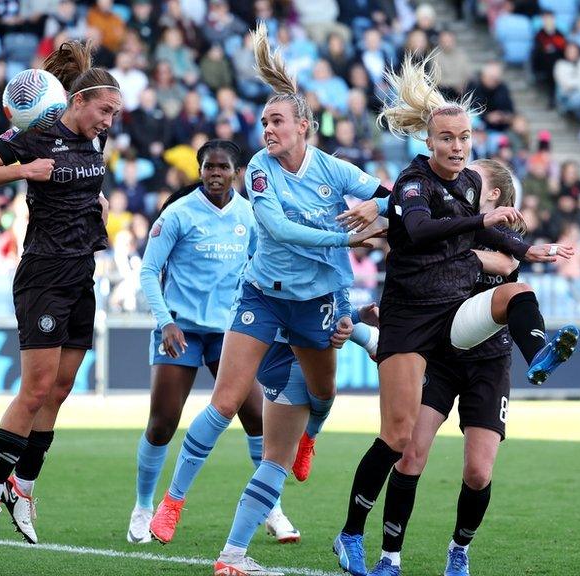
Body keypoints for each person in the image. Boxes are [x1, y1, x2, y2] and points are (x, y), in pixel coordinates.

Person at [145, 24, 385, 574]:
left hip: (319, 302)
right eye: (264, 122)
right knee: (226, 400)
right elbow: (277, 230)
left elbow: (391, 197)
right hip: (264, 296)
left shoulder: (332, 169)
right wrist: (349, 236)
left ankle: (310, 438)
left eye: (277, 121)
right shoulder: (257, 169)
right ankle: (172, 502)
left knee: (323, 396)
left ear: (305, 126)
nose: (267, 129)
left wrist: (379, 211)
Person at [334, 54, 578, 576]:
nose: (457, 146)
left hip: (456, 320)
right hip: (410, 317)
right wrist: (476, 224)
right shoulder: (412, 181)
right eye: (447, 138)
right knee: (399, 439)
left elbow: (482, 230)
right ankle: (353, 534)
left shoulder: (469, 183)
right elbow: (421, 232)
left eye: (464, 138)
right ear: (429, 141)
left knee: (475, 465)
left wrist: (525, 248)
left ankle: (540, 357)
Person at [0, 41, 121, 549]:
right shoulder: (34, 134)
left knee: (62, 388)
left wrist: (98, 201)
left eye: (115, 113)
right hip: (43, 277)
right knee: (35, 390)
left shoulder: (94, 143)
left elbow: (80, 183)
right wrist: (22, 170)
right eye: (105, 110)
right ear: (78, 100)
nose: (110, 121)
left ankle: (21, 487)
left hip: (81, 273)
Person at [371, 159, 527, 576]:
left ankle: (459, 548)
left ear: (490, 196)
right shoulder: (449, 223)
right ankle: (390, 557)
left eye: (471, 178)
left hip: (489, 363)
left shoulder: (503, 241)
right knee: (408, 454)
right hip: (440, 358)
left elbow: (507, 266)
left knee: (478, 472)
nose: (459, 181)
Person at [128, 140, 269, 544]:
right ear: (200, 169)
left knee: (257, 418)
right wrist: (165, 321)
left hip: (229, 332)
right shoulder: (178, 213)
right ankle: (143, 505)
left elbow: (259, 267)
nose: (215, 174)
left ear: (236, 172)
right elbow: (148, 271)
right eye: (208, 167)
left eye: (223, 167)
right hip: (181, 331)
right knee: (162, 424)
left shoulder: (249, 216)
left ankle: (271, 507)